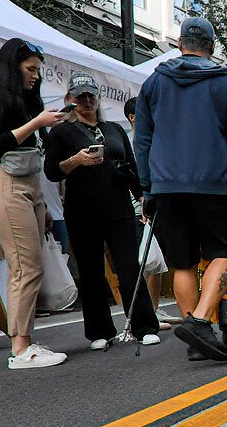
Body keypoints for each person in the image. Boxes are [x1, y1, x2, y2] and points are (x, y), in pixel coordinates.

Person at [135, 17, 227, 362]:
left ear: (179, 43)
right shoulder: (226, 82)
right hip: (215, 182)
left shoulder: (154, 82)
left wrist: (147, 185)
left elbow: (143, 139)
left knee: (182, 262)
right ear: (211, 47)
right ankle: (200, 322)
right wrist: (225, 165)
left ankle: (195, 336)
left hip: (167, 185)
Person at [0, 38, 73, 369]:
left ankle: (24, 341)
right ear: (12, 68)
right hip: (7, 185)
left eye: (37, 70)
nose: (35, 76)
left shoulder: (22, 98)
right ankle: (20, 347)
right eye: (30, 70)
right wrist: (38, 122)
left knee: (29, 265)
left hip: (28, 185)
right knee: (25, 266)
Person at [45, 74, 161, 349]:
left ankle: (143, 324)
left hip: (118, 206)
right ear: (70, 100)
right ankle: (99, 331)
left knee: (130, 266)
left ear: (98, 98)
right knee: (91, 271)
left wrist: (142, 195)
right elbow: (51, 172)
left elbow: (131, 166)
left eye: (91, 96)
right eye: (80, 96)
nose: (87, 101)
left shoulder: (114, 129)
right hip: (81, 210)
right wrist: (75, 160)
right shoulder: (61, 131)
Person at [124, 97, 180, 327]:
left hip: (156, 205)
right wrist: (139, 204)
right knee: (146, 262)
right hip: (139, 208)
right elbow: (131, 177)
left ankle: (155, 309)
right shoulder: (131, 141)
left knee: (157, 262)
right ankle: (149, 312)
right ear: (133, 118)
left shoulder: (151, 139)